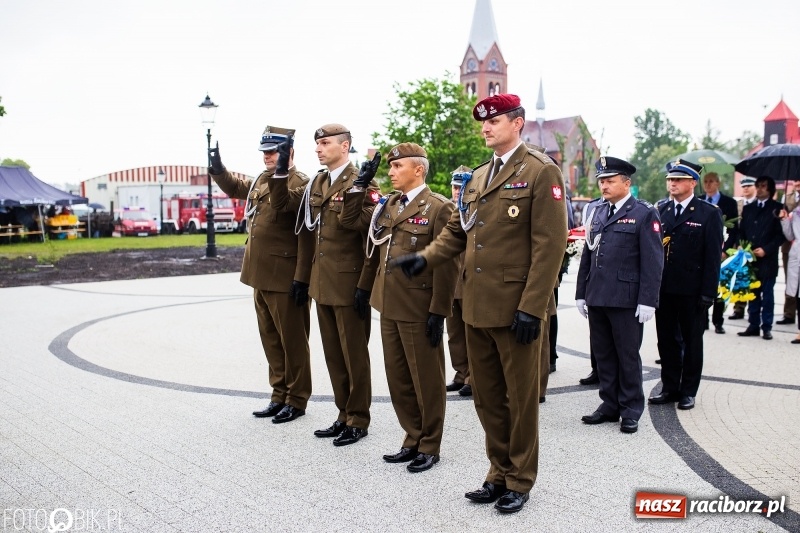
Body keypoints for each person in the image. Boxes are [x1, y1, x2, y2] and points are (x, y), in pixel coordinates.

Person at [391, 93, 567, 514]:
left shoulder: (540, 170)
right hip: (476, 306)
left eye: (495, 120)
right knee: (487, 398)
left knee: (520, 400)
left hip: (516, 307)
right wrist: (424, 258)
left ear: (518, 123)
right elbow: (457, 232)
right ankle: (498, 472)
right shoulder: (479, 176)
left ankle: (520, 479)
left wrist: (532, 306)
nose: (486, 127)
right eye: (483, 122)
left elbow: (550, 244)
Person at [342, 142, 457, 473]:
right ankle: (412, 437)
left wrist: (439, 311)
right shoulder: (389, 204)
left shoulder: (438, 208)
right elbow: (363, 235)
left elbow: (448, 264)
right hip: (388, 304)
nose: (391, 172)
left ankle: (430, 444)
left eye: (397, 166)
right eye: (390, 167)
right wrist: (360, 185)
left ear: (418, 169)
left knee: (426, 380)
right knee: (398, 378)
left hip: (419, 307)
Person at [268, 124, 380, 447]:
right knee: (333, 355)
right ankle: (343, 414)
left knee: (354, 356)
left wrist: (365, 285)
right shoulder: (317, 182)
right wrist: (280, 170)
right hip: (322, 284)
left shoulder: (363, 181)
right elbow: (290, 212)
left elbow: (370, 237)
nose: (318, 148)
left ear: (344, 146)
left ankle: (358, 418)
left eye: (325, 143)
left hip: (349, 284)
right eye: (317, 143)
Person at [208, 126, 313, 423]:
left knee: (293, 342)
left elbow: (306, 235)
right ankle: (279, 394)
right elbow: (235, 187)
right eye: (265, 152)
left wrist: (302, 277)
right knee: (271, 340)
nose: (267, 157)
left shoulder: (302, 183)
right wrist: (219, 169)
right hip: (260, 275)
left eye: (273, 151)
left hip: (286, 277)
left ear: (289, 152)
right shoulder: (261, 180)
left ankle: (297, 398)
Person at [575, 157, 663, 433]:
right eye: (601, 181)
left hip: (626, 298)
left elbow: (653, 260)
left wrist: (648, 300)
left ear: (626, 183)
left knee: (627, 356)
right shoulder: (598, 212)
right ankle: (609, 404)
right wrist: (581, 293)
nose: (604, 185)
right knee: (603, 355)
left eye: (610, 181)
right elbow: (588, 254)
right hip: (598, 295)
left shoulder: (644, 213)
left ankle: (630, 408)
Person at [650, 159, 723, 410]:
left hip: (692, 291)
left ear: (693, 183)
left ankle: (688, 391)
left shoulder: (708, 213)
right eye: (670, 179)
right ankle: (669, 386)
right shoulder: (661, 210)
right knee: (666, 340)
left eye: (678, 179)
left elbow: (712, 257)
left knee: (692, 342)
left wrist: (708, 292)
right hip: (664, 289)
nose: (672, 183)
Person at [737, 176, 785, 340]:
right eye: (758, 186)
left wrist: (766, 249)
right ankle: (753, 325)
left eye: (763, 186)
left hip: (768, 259)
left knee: (767, 295)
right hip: (751, 258)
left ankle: (767, 327)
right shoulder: (748, 208)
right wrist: (742, 245)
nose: (759, 189)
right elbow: (741, 231)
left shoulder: (777, 208)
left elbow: (780, 236)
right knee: (753, 293)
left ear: (770, 189)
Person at [699, 172, 739, 334]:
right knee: (702, 285)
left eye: (711, 181)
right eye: (705, 181)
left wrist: (724, 250)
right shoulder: (699, 201)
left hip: (722, 251)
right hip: (702, 251)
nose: (708, 184)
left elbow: (734, 229)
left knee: (720, 285)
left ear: (718, 184)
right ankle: (703, 320)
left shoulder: (729, 203)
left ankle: (718, 321)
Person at [445, 165, 472, 397]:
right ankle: (461, 373)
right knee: (454, 333)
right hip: (450, 281)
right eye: (454, 187)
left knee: (471, 333)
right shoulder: (444, 209)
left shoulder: (476, 209)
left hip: (470, 280)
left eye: (461, 186)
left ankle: (473, 377)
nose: (457, 191)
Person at [730, 177, 757, 320]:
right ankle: (738, 308)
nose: (746, 188)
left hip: (753, 247)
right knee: (738, 278)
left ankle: (753, 309)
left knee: (752, 278)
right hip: (738, 246)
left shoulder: (757, 204)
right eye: (744, 186)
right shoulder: (737, 204)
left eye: (749, 186)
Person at [777, 179, 800, 325]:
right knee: (792, 284)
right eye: (796, 180)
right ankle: (789, 314)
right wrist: (785, 218)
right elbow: (790, 234)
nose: (798, 183)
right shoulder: (787, 197)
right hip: (792, 248)